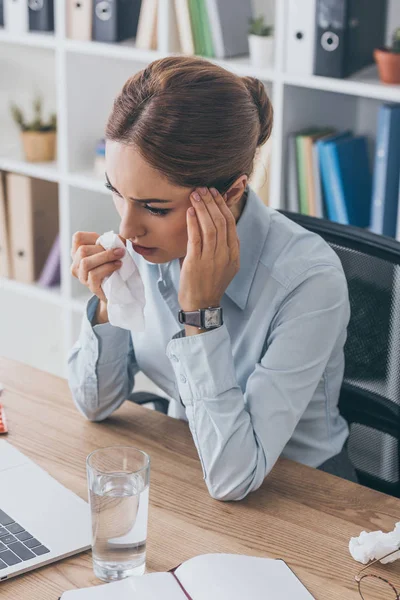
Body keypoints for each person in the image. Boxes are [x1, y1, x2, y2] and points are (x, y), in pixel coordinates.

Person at [68, 56, 357, 502]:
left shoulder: (309, 281)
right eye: (116, 193)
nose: (127, 228)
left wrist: (201, 316)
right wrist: (107, 307)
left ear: (231, 193)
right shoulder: (145, 246)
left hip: (305, 497)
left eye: (155, 207)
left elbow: (233, 478)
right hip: (188, 469)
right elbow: (96, 403)